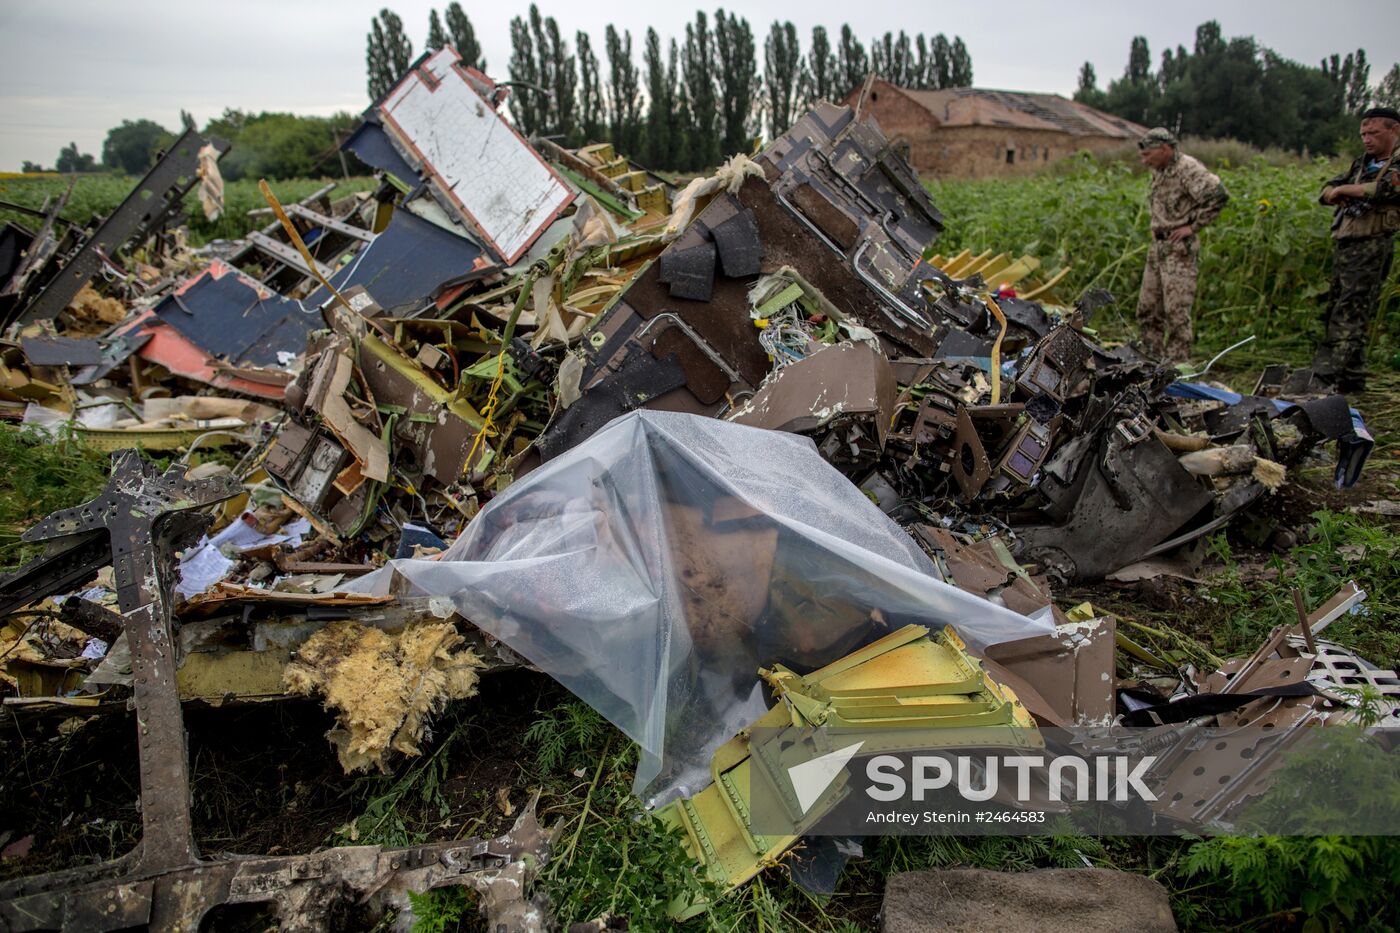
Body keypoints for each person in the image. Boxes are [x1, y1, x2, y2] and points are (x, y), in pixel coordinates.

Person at [1313, 106, 1400, 393]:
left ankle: (1330, 377)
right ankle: (1352, 379)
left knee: (1350, 310)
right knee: (1339, 303)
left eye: (1373, 133)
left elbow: (1384, 190)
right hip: (1348, 242)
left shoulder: (1395, 164)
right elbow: (1327, 189)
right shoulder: (1362, 164)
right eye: (1363, 133)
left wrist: (1345, 191)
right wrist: (1335, 192)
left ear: (1393, 130)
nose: (1366, 139)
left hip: (1373, 245)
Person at [1135, 127, 1229, 362]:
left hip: (1179, 249)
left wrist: (1193, 226)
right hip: (1158, 247)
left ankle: (1177, 367)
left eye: (1148, 155)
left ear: (1164, 149)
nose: (1144, 161)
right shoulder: (1161, 170)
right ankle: (1150, 361)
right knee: (1148, 309)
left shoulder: (1187, 169)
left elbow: (1218, 195)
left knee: (1176, 313)